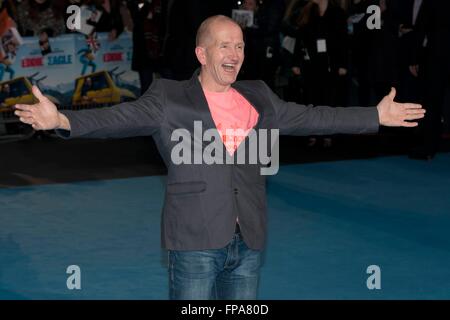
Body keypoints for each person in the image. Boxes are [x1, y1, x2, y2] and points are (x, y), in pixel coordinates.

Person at [14, 15, 425, 300]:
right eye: (224, 45)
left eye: (240, 45)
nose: (235, 53)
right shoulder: (169, 97)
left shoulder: (260, 94)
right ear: (202, 54)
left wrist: (374, 115)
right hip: (194, 240)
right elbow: (118, 119)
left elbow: (314, 116)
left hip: (249, 239)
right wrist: (62, 119)